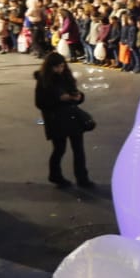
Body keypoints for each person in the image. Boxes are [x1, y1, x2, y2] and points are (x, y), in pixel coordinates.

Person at [33, 53, 93, 188]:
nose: (60, 69)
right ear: (49, 67)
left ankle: (82, 178)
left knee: (78, 149)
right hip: (56, 119)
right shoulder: (43, 80)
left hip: (72, 117)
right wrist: (59, 99)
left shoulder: (66, 76)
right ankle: (55, 176)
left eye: (62, 66)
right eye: (57, 67)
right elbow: (40, 102)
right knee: (59, 149)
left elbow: (75, 92)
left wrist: (79, 97)